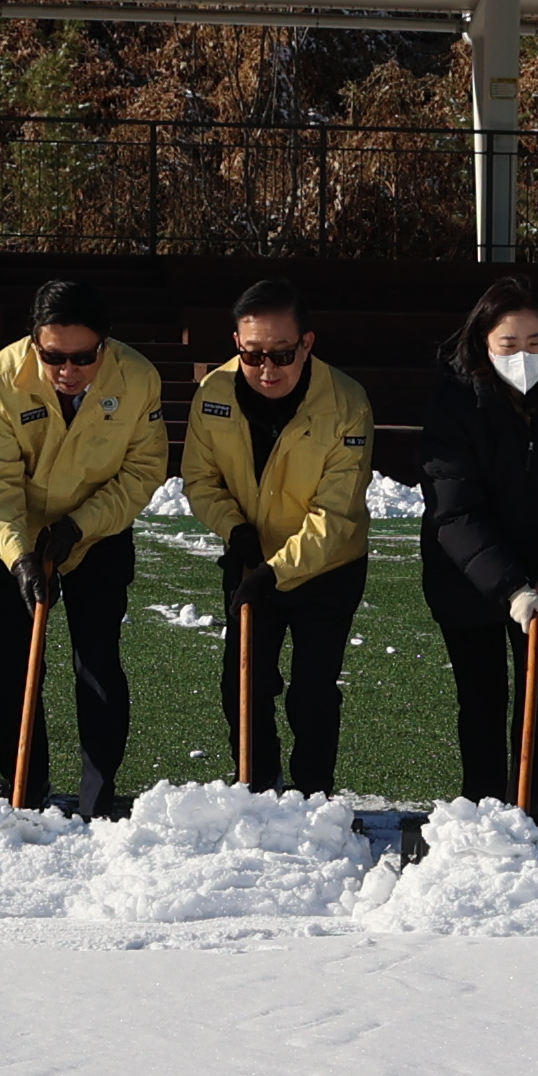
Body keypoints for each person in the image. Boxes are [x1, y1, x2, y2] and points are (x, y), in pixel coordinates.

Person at [0, 275, 174, 809]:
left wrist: (80, 525)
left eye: (83, 357)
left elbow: (143, 471)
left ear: (105, 343)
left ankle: (97, 798)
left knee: (98, 664)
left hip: (97, 533)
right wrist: (19, 556)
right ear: (33, 341)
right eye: (53, 356)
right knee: (15, 670)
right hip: (14, 538)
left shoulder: (138, 378)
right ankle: (25, 791)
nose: (67, 371)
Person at [415, 277, 538, 821]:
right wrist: (509, 588)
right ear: (484, 342)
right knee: (480, 695)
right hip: (467, 574)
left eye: (535, 342)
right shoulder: (454, 401)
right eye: (508, 344)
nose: (522, 356)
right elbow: (454, 508)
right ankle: (483, 818)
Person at [183, 275, 377, 792]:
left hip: (328, 565)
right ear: (236, 344)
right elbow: (200, 479)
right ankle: (255, 786)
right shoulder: (213, 393)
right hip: (250, 556)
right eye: (252, 355)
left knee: (312, 691)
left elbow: (335, 515)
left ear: (307, 343)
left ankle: (313, 797)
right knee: (243, 683)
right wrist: (234, 529)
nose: (267, 369)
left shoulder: (347, 403)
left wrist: (275, 571)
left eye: (282, 354)